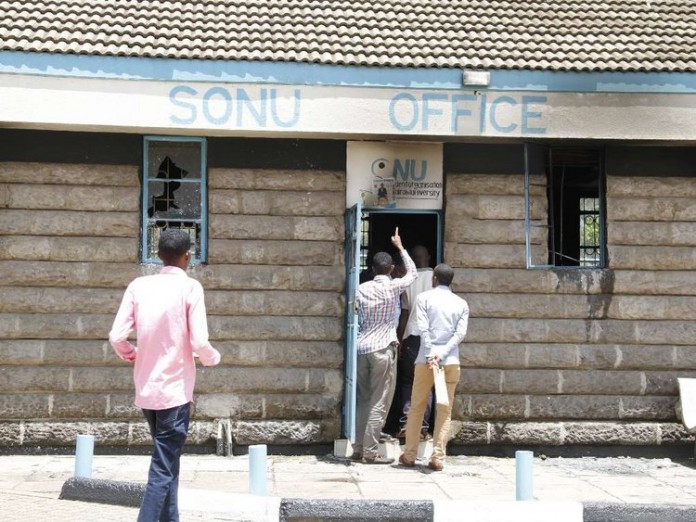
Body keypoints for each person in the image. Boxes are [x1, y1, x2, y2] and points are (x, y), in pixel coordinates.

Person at [109, 229, 221, 521]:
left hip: (147, 390)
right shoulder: (190, 289)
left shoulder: (138, 286)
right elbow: (199, 342)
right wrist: (212, 359)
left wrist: (134, 355)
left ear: (159, 255)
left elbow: (116, 336)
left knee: (167, 463)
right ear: (188, 256)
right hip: (174, 392)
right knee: (162, 467)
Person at [353, 227, 416, 464]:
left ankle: (358, 447)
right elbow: (412, 273)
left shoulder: (362, 288)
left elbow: (355, 310)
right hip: (382, 349)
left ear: (371, 268)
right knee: (379, 401)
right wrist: (400, 246)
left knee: (363, 399)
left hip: (362, 349)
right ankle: (370, 451)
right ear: (390, 269)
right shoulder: (393, 287)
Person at [399, 263, 469, 471]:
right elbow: (459, 334)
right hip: (450, 362)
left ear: (434, 279)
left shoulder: (424, 298)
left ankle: (410, 454)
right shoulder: (461, 303)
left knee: (417, 407)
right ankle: (438, 456)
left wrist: (431, 353)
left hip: (425, 360)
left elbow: (423, 328)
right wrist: (442, 354)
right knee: (444, 410)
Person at [396, 245, 434, 440]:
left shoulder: (408, 280)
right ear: (428, 256)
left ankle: (406, 425)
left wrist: (399, 339)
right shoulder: (436, 278)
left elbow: (404, 314)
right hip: (430, 338)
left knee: (407, 382)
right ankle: (421, 429)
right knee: (426, 384)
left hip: (411, 335)